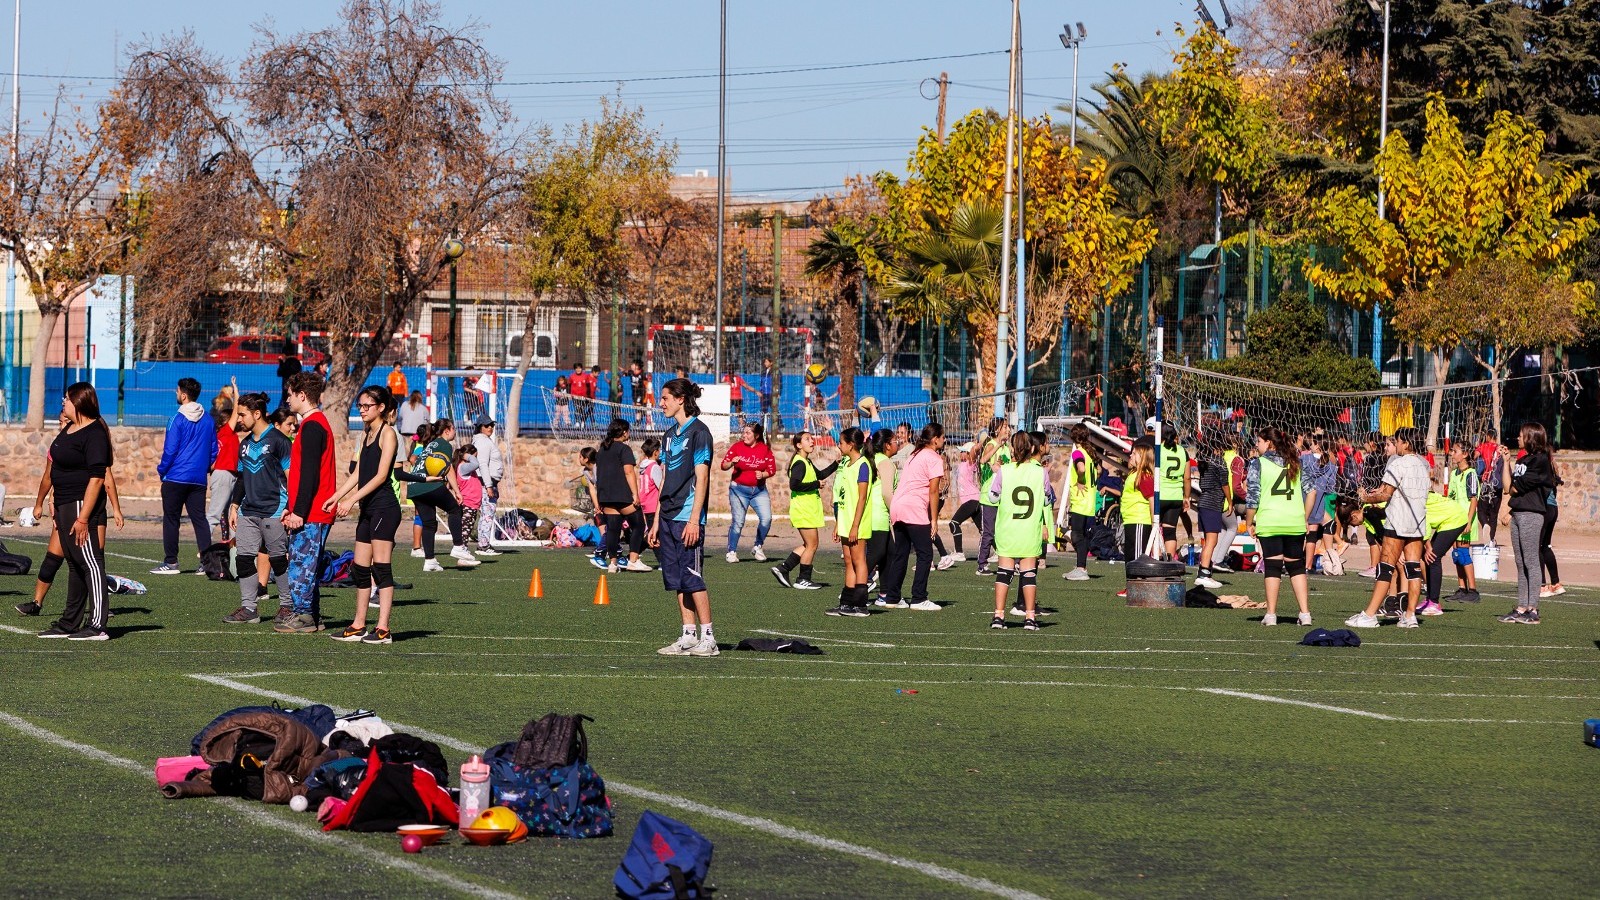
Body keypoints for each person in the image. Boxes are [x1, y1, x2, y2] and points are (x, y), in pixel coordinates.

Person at [15, 405, 124, 619]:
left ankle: (99, 608)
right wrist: (42, 502)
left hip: (91, 509)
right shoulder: (59, 445)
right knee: (53, 558)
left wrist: (116, 509)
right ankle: (37, 603)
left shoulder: (90, 439)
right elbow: (50, 477)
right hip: (65, 508)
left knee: (93, 559)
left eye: (66, 422)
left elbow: (105, 477)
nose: (63, 426)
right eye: (60, 423)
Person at [323, 386, 403, 644]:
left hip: (384, 508)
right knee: (359, 569)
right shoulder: (365, 434)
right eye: (360, 405)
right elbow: (359, 473)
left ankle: (383, 629)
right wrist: (337, 496)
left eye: (367, 405)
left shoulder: (388, 433)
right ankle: (358, 625)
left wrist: (352, 500)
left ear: (381, 407)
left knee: (381, 569)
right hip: (369, 508)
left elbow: (381, 475)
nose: (362, 409)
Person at [35, 384, 114, 640]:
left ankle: (98, 625)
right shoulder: (69, 428)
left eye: (67, 399)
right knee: (74, 564)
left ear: (79, 402)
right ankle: (69, 623)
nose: (63, 402)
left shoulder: (94, 433)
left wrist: (83, 518)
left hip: (82, 505)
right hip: (65, 504)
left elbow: (97, 478)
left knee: (90, 563)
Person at [649, 378, 720, 656]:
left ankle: (709, 638)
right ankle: (688, 635)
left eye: (665, 397)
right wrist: (655, 520)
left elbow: (702, 478)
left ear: (680, 399)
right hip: (666, 516)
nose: (661, 403)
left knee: (693, 578)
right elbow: (665, 478)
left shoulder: (700, 433)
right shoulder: (667, 436)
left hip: (686, 516)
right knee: (677, 579)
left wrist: (694, 519)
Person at [1347, 428, 1431, 629]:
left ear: (1407, 444)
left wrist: (1365, 497)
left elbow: (1385, 495)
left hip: (1398, 522)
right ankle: (1410, 615)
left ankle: (1369, 616)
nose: (1397, 444)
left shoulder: (1399, 463)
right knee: (1413, 569)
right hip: (1417, 524)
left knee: (1385, 569)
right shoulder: (1423, 464)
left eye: (1399, 441)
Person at [274, 373, 338, 634]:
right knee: (307, 562)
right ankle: (312, 615)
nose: (287, 399)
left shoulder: (312, 425)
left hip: (313, 511)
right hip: (310, 509)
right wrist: (293, 505)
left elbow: (310, 473)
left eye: (290, 394)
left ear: (302, 395)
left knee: (300, 563)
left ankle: (303, 616)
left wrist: (299, 511)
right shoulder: (312, 424)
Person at [223, 393, 293, 625]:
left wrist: (292, 507)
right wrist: (234, 505)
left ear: (257, 414)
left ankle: (286, 606)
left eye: (242, 414)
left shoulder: (279, 441)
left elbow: (291, 476)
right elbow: (242, 478)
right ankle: (249, 608)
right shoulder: (244, 444)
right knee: (243, 559)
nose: (239, 419)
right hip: (247, 511)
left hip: (274, 510)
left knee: (278, 559)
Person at [1246, 427, 1314, 627]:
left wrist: (1249, 522)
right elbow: (1312, 492)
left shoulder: (1258, 464)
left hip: (1270, 522)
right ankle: (1305, 613)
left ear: (1269, 443)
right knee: (1296, 567)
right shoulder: (1296, 462)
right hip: (1294, 522)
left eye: (1259, 441)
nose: (1256, 445)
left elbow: (1252, 498)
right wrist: (1304, 517)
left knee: (1273, 567)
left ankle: (1271, 614)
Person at [152, 377, 218, 575]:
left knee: (171, 519)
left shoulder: (177, 419)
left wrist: (162, 469)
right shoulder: (208, 419)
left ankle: (171, 562)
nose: (176, 394)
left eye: (177, 391)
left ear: (183, 394)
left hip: (175, 477)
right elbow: (214, 449)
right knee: (200, 520)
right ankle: (206, 563)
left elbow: (170, 450)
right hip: (198, 479)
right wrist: (203, 468)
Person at [881, 423, 947, 611]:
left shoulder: (914, 454)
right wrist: (934, 520)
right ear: (935, 440)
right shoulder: (933, 457)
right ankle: (919, 598)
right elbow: (933, 491)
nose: (944, 440)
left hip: (898, 506)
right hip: (913, 508)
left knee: (901, 554)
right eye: (942, 437)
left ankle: (892, 597)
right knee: (926, 554)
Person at [400, 418, 481, 572]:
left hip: (413, 487)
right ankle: (458, 546)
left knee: (429, 523)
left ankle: (429, 561)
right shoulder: (444, 444)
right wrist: (457, 492)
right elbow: (448, 468)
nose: (455, 432)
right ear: (447, 430)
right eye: (454, 429)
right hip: (428, 484)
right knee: (455, 510)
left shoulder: (430, 444)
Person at [989, 431, 1049, 631]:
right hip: (1029, 530)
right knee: (1029, 574)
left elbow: (993, 498)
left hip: (1007, 529)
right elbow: (1049, 499)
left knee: (1003, 573)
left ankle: (998, 616)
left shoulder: (1004, 471)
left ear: (1013, 449)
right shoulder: (1041, 472)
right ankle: (1030, 618)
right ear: (1032, 449)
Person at [1499, 422, 1558, 625]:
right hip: (1518, 513)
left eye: (1521, 435)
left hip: (1532, 515)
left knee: (1532, 561)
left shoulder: (1541, 461)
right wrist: (1506, 462)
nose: (1518, 438)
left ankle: (1533, 609)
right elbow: (1507, 488)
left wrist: (1513, 486)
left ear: (1531, 437)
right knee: (1520, 562)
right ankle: (1521, 607)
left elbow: (1516, 489)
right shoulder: (1523, 459)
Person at [771, 431, 836, 590]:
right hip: (803, 510)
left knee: (808, 544)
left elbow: (820, 474)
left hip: (808, 510)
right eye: (808, 439)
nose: (812, 441)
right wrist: (815, 484)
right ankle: (803, 579)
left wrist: (837, 463)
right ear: (799, 445)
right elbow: (795, 485)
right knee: (812, 544)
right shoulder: (799, 462)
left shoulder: (806, 462)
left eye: (812, 439)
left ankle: (784, 568)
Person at [594, 418, 653, 574]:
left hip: (606, 496)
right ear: (624, 432)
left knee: (613, 530)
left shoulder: (601, 450)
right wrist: (635, 494)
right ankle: (633, 560)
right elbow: (629, 472)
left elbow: (598, 475)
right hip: (622, 495)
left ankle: (612, 563)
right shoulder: (624, 449)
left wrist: (600, 498)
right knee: (639, 525)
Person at [827, 426, 873, 617]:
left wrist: (854, 525)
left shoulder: (863, 465)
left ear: (851, 444)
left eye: (841, 442)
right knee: (848, 561)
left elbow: (862, 498)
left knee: (859, 560)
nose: (839, 445)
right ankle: (846, 604)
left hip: (858, 523)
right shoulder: (846, 464)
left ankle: (860, 605)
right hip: (845, 522)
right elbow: (844, 497)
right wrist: (839, 523)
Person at [1418, 472, 1472, 617]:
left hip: (1456, 519)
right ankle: (1429, 599)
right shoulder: (1417, 497)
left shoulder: (1419, 499)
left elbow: (1425, 522)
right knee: (1427, 557)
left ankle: (1434, 603)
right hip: (1447, 521)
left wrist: (1428, 545)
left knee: (1433, 557)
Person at [722, 421, 777, 563]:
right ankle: (731, 552)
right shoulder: (737, 447)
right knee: (738, 521)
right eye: (744, 432)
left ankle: (758, 546)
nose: (744, 435)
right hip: (738, 490)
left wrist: (763, 475)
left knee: (767, 518)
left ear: (756, 435)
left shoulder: (764, 449)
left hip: (759, 491)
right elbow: (724, 465)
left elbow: (771, 469)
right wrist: (732, 463)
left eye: (748, 433)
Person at [1114, 441, 1156, 599]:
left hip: (1140, 521)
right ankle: (1131, 585)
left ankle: (1138, 587)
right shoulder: (1133, 474)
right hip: (1130, 521)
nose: (1130, 455)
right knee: (1129, 555)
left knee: (1138, 556)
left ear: (1142, 457)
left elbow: (1152, 499)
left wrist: (1154, 524)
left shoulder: (1144, 476)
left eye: (1134, 454)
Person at [1061, 424, 1100, 582]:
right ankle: (1080, 566)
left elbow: (1081, 469)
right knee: (1080, 535)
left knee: (1077, 535)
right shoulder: (1089, 453)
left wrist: (1080, 480)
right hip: (1089, 499)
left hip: (1081, 500)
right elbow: (1097, 472)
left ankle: (1081, 568)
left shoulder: (1078, 452)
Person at [974, 418, 1012, 575]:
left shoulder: (1007, 448)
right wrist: (998, 446)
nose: (1008, 429)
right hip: (990, 496)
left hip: (1003, 495)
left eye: (1008, 426)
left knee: (1004, 531)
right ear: (997, 430)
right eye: (1005, 427)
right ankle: (982, 564)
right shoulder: (991, 444)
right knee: (988, 532)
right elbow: (983, 459)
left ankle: (1009, 563)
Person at [1444, 443, 1481, 604]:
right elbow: (1451, 497)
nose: (1452, 454)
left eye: (1455, 451)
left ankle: (1473, 590)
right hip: (1454, 519)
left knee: (1464, 553)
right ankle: (1462, 588)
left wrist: (1468, 520)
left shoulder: (1471, 474)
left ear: (1465, 454)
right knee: (1457, 554)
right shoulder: (1454, 474)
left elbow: (1474, 500)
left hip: (1465, 520)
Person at [863, 428, 896, 595]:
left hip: (868, 513)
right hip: (879, 515)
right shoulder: (885, 462)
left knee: (887, 554)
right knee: (877, 553)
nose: (897, 443)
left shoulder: (869, 458)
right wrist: (895, 513)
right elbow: (886, 492)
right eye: (894, 440)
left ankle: (885, 594)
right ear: (887, 445)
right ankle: (851, 590)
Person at [206, 393, 241, 543]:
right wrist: (236, 393)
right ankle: (204, 549)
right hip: (224, 474)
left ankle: (233, 551)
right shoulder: (226, 431)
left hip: (228, 474)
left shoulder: (220, 435)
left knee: (231, 513)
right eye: (234, 418)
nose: (238, 419)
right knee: (214, 514)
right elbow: (236, 410)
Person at [471, 417, 504, 555]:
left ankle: (483, 544)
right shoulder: (483, 441)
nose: (490, 427)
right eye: (486, 425)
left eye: (491, 425)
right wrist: (489, 485)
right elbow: (483, 464)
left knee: (486, 514)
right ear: (480, 427)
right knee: (487, 514)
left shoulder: (484, 440)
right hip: (486, 482)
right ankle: (483, 545)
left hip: (487, 482)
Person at [1156, 427, 1190, 561]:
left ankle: (1157, 559)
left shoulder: (1158, 449)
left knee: (1156, 529)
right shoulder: (1182, 451)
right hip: (1176, 496)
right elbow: (1187, 478)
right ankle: (1169, 563)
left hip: (1161, 495)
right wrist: (1186, 497)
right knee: (1170, 532)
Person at [944, 442, 980, 566]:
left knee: (954, 523)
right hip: (971, 501)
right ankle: (998, 552)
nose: (961, 453)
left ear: (969, 453)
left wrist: (979, 444)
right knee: (984, 530)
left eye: (964, 451)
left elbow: (975, 452)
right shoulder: (961, 465)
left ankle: (959, 553)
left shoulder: (971, 464)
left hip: (972, 500)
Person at [1538, 445, 1564, 599]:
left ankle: (1542, 586)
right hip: (1553, 508)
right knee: (1545, 546)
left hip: (1545, 508)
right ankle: (1556, 583)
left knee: (1537, 547)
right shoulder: (1551, 466)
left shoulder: (1543, 467)